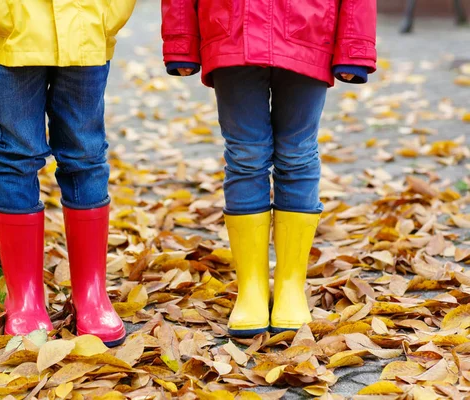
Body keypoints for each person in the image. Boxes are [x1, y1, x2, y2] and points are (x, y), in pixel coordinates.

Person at [161, 0, 376, 336]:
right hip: (230, 29)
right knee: (245, 156)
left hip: (309, 26)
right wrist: (181, 39)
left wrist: (354, 46)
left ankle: (291, 284)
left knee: (298, 154)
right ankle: (252, 288)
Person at [0, 0, 136, 346]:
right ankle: (24, 299)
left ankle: (91, 295)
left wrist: (111, 11)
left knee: (86, 154)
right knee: (16, 153)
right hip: (15, 24)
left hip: (88, 21)